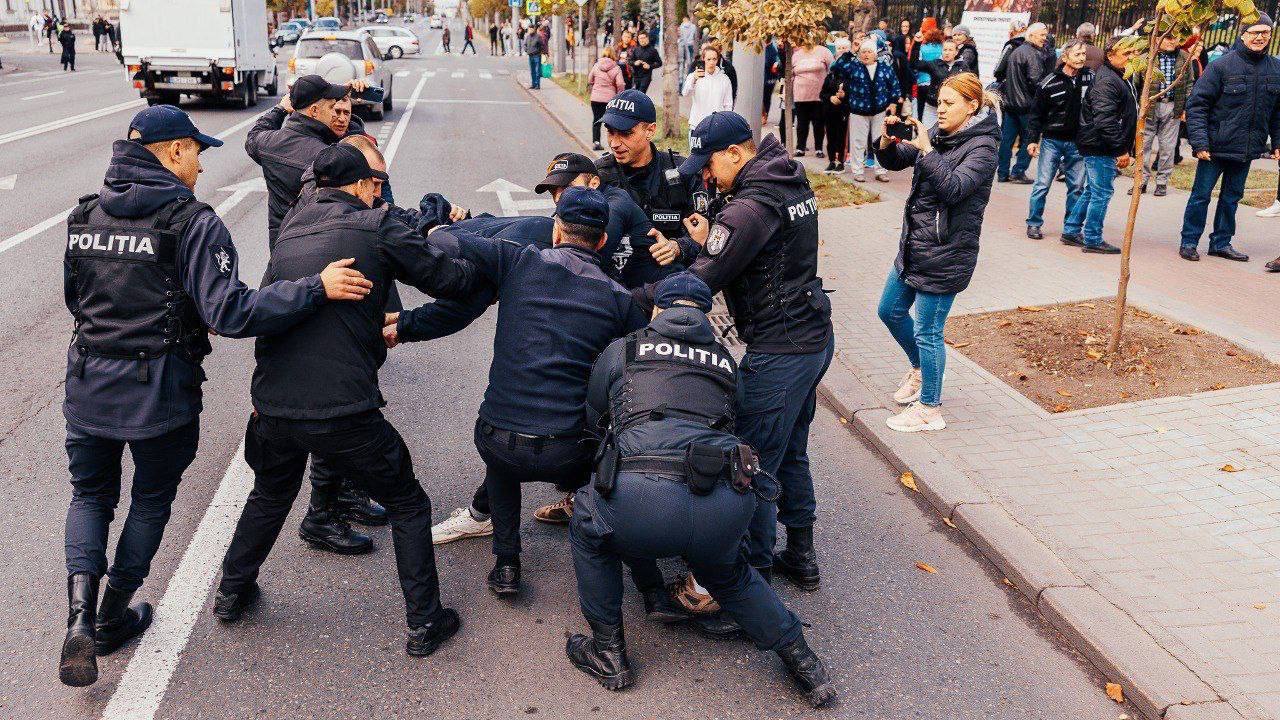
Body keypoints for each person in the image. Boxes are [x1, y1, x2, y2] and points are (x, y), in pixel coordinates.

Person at [58, 106, 371, 687]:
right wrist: (316, 289)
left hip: (88, 384)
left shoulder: (84, 214)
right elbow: (230, 312)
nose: (201, 166)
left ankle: (78, 616)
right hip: (160, 390)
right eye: (196, 152)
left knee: (90, 496)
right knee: (150, 501)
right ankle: (112, 615)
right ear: (173, 151)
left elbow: (76, 299)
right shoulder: (190, 222)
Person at [213, 143, 478, 657]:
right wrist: (482, 263)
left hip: (272, 405)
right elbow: (445, 279)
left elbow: (267, 309)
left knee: (269, 493)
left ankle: (231, 592)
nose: (376, 191)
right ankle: (425, 622)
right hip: (343, 409)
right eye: (373, 184)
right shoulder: (376, 225)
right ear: (362, 187)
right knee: (407, 500)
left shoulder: (290, 230)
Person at [566, 272, 838, 708]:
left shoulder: (624, 350)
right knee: (729, 574)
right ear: (706, 316)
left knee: (589, 527)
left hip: (639, 498)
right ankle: (805, 664)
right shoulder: (728, 363)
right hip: (721, 500)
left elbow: (595, 416)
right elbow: (737, 419)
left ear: (658, 310)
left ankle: (609, 651)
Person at [389, 188, 648, 598]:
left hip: (499, 441)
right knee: (601, 443)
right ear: (602, 241)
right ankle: (603, 542)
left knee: (503, 453)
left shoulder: (517, 260)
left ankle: (507, 563)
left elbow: (441, 241)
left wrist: (434, 221)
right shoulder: (620, 298)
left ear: (556, 231)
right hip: (570, 453)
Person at [642, 111, 834, 593]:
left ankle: (752, 582)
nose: (705, 174)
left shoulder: (747, 207)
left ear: (735, 152)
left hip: (780, 346)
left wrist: (639, 297)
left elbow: (706, 279)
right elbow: (749, 250)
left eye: (709, 163)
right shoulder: (785, 178)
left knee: (751, 463)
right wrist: (700, 244)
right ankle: (802, 555)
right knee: (790, 449)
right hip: (811, 334)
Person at [245, 75, 385, 553]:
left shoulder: (274, 139)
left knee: (333, 386)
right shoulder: (320, 160)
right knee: (335, 390)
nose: (343, 114)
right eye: (336, 107)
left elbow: (254, 137)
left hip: (293, 265)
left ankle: (341, 495)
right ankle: (325, 511)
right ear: (317, 109)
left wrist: (282, 107)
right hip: (325, 267)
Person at [875, 73, 999, 433]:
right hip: (915, 246)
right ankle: (920, 369)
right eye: (939, 102)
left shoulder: (983, 147)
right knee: (890, 310)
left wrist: (928, 150)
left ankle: (930, 408)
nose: (940, 109)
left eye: (949, 103)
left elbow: (954, 188)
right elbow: (900, 159)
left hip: (946, 253)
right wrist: (887, 141)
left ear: (972, 105)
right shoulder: (945, 132)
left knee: (929, 331)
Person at [1179, 14, 1280, 263]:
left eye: (1265, 33)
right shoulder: (1221, 66)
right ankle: (1189, 241)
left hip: (1246, 148)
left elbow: (1278, 111)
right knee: (1201, 196)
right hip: (1214, 147)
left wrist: (1277, 142)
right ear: (1243, 34)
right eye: (1254, 32)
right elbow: (1198, 105)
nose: (1259, 37)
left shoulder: (1275, 68)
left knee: (1232, 198)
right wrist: (1200, 143)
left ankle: (1221, 243)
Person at [1067, 36, 1138, 255]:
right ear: (1111, 54)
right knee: (1102, 193)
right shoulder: (1108, 80)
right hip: (1101, 145)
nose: (1132, 57)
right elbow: (1105, 120)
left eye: (1134, 52)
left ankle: (1071, 230)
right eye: (1127, 53)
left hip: (1100, 143)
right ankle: (1093, 238)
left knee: (1093, 191)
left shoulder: (1119, 75)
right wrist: (1121, 150)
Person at [1025, 40, 1089, 241]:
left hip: (1078, 142)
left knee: (1077, 187)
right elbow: (1036, 114)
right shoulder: (1048, 82)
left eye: (1083, 54)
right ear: (1065, 57)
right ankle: (1034, 224)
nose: (1081, 58)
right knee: (1042, 184)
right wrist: (1032, 139)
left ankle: (1071, 229)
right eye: (1077, 54)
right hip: (1052, 141)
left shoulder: (1090, 78)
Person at [1130, 34, 1193, 197]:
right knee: (1143, 145)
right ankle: (1141, 181)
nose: (1172, 41)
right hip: (1149, 106)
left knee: (1168, 146)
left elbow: (1189, 83)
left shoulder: (1185, 57)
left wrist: (1185, 106)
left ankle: (1162, 182)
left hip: (1172, 106)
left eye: (1174, 38)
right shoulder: (1147, 57)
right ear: (1158, 38)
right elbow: (1136, 83)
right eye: (1167, 37)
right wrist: (1139, 105)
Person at [841, 38, 900, 182]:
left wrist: (893, 102)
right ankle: (858, 171)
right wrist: (851, 51)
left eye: (869, 51)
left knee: (880, 141)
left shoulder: (884, 67)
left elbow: (894, 85)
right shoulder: (854, 66)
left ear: (875, 54)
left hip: (879, 111)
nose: (866, 54)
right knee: (858, 142)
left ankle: (880, 170)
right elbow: (837, 67)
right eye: (863, 52)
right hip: (858, 111)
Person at [997, 22, 1049, 183]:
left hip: (1011, 103)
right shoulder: (1032, 54)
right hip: (1027, 105)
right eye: (1042, 35)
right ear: (1032, 35)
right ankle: (1018, 172)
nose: (1044, 39)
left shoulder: (1017, 51)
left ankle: (1002, 172)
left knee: (1007, 140)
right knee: (1029, 139)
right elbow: (1036, 81)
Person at [791, 35, 835, 158]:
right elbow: (791, 73)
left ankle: (819, 149)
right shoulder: (797, 54)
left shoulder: (824, 52)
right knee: (801, 123)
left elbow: (833, 69)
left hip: (819, 95)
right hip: (801, 95)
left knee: (819, 122)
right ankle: (800, 148)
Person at [913, 39, 968, 129]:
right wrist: (917, 44)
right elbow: (915, 64)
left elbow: (968, 85)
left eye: (950, 50)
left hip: (951, 109)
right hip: (932, 107)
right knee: (928, 132)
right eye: (945, 50)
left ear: (956, 52)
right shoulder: (935, 64)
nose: (947, 52)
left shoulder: (962, 67)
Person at [682, 44, 735, 132]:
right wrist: (694, 79)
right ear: (703, 59)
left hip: (717, 126)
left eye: (714, 59)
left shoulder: (724, 79)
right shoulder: (694, 76)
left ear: (717, 60)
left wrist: (725, 122)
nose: (711, 62)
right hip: (697, 124)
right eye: (708, 59)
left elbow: (728, 104)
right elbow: (685, 93)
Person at [821, 37, 853, 173]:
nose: (842, 51)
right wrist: (831, 98)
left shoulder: (852, 72)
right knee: (831, 136)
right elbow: (822, 93)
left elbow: (854, 92)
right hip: (830, 110)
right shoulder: (831, 74)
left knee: (841, 136)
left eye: (845, 48)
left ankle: (841, 161)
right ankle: (831, 161)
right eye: (839, 48)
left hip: (843, 110)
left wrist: (844, 97)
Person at [588, 48, 626, 151]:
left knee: (596, 120)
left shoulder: (596, 65)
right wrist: (619, 95)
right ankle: (614, 144)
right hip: (609, 99)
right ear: (613, 55)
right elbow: (620, 84)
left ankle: (596, 142)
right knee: (611, 123)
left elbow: (590, 79)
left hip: (595, 98)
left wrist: (596, 86)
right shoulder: (616, 68)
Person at [678, 14, 698, 79]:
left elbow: (680, 36)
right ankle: (688, 75)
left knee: (682, 61)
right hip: (690, 45)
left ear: (684, 19)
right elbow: (695, 37)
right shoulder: (693, 26)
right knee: (690, 60)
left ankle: (681, 76)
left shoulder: (682, 26)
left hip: (682, 45)